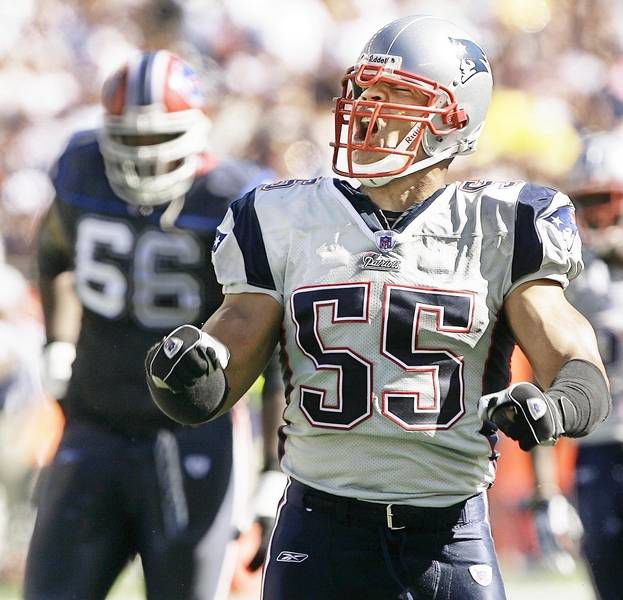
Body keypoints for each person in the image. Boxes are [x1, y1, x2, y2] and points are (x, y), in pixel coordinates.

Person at [146, 16, 611, 600]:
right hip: (319, 525)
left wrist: (555, 407)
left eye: (398, 97)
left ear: (454, 117)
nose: (371, 111)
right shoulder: (283, 217)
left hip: (449, 533)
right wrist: (185, 375)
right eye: (367, 92)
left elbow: (576, 360)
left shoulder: (504, 224)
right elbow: (218, 376)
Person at [25, 50, 285, 600]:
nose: (144, 154)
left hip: (193, 434)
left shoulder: (233, 200)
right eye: (131, 138)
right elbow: (51, 254)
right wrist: (57, 343)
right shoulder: (82, 168)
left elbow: (275, 337)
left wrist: (274, 469)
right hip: (94, 422)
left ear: (197, 132)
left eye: (158, 137)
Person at [528, 131, 623, 599]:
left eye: (607, 200)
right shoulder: (573, 280)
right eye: (587, 202)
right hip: (601, 451)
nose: (597, 216)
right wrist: (546, 493)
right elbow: (541, 391)